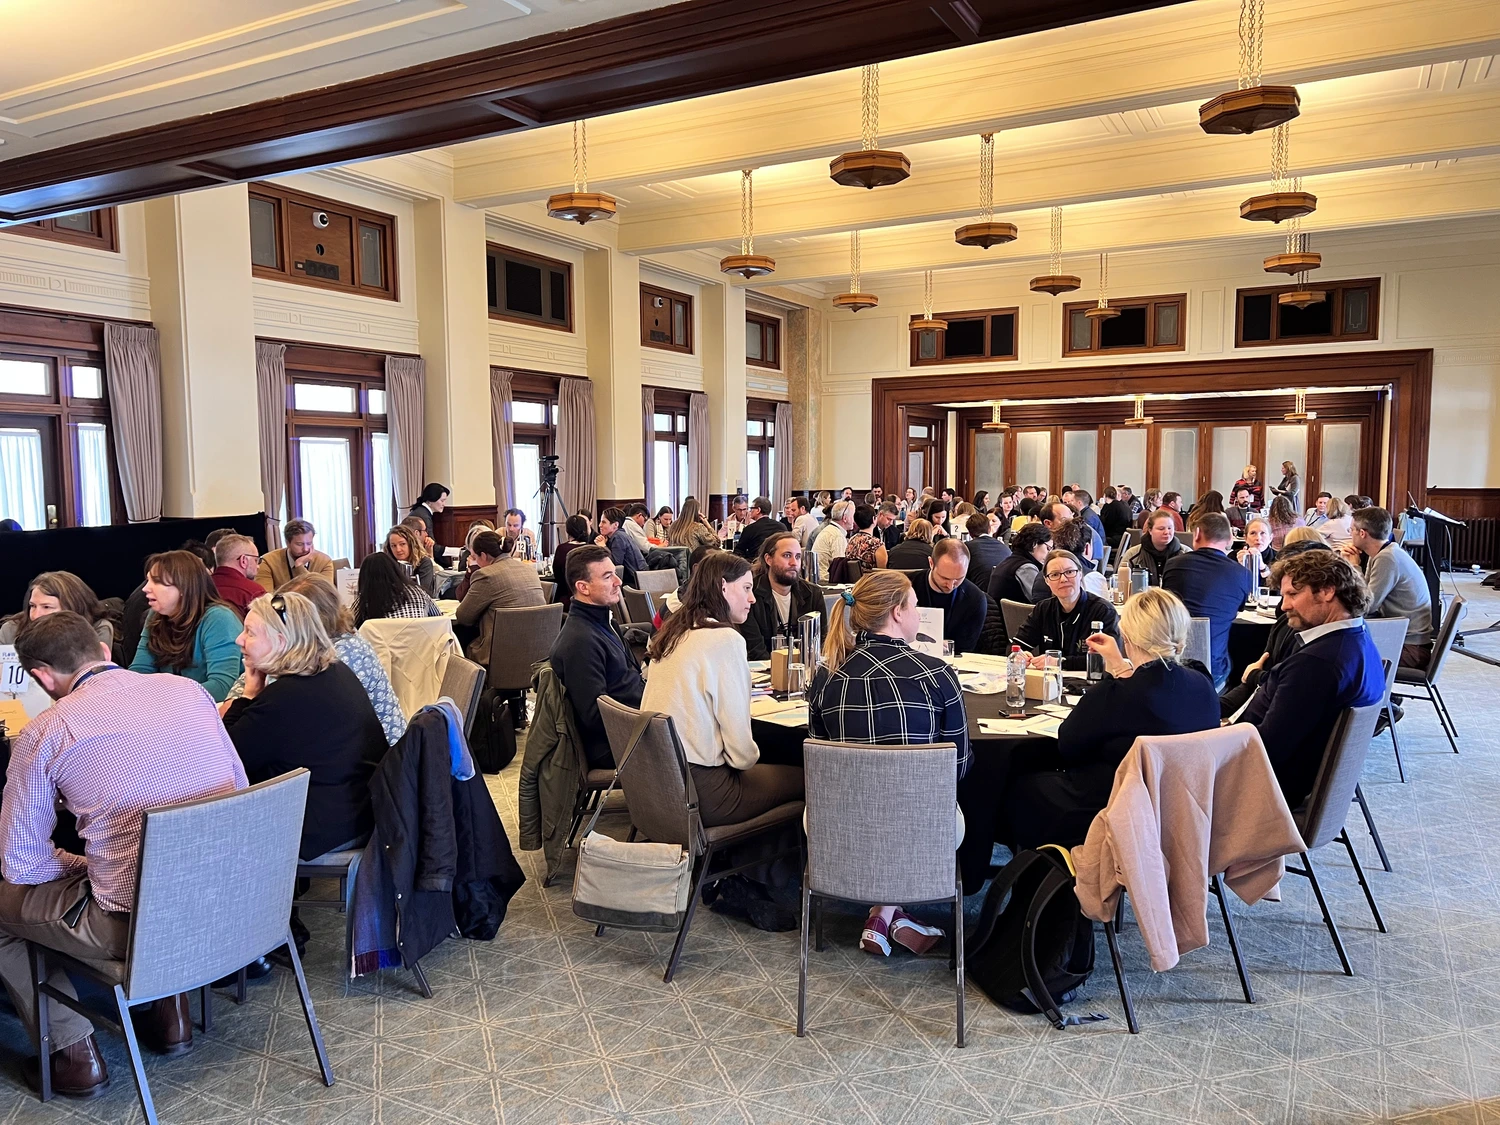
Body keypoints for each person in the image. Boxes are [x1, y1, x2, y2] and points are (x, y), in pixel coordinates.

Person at [0, 614, 249, 1092]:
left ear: (40, 677)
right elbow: (239, 794)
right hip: (231, 904)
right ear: (105, 651)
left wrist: (80, 865)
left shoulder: (47, 731)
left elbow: (21, 865)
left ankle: (73, 1056)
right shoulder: (189, 694)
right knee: (155, 873)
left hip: (137, 925)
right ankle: (172, 1017)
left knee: (5, 906)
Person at [807, 571, 969, 958]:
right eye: (914, 606)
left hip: (841, 826)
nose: (918, 613)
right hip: (921, 827)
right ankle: (891, 910)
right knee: (943, 806)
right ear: (897, 613)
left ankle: (883, 911)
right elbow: (958, 768)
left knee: (860, 806)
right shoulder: (937, 674)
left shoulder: (826, 677)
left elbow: (821, 759)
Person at [1001, 589, 1220, 848]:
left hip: (1113, 809)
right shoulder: (1202, 683)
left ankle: (1035, 875)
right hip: (1184, 811)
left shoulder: (1115, 695)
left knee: (1022, 782)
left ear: (1127, 637)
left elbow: (1068, 746)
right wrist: (1119, 666)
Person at [222, 590, 386, 865]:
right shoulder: (334, 672)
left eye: (249, 632)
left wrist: (248, 695)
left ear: (281, 642)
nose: (239, 640)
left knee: (208, 824)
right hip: (359, 810)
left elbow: (225, 758)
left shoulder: (285, 698)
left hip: (325, 827)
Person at [641, 553, 803, 825]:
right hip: (704, 791)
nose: (752, 598)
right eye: (747, 588)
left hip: (659, 783)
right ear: (723, 587)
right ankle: (770, 866)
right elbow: (741, 757)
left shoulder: (676, 630)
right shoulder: (724, 639)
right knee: (806, 775)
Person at [1244, 550, 1384, 808]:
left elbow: (1265, 750)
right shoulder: (1359, 639)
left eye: (1293, 594)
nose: (1284, 605)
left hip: (1268, 791)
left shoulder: (1317, 664)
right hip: (1300, 781)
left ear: (1327, 591)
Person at [549, 546, 644, 768]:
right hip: (615, 743)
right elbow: (595, 716)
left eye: (615, 573)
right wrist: (650, 720)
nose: (618, 582)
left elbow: (629, 680)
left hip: (635, 723)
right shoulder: (580, 641)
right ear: (583, 587)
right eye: (607, 576)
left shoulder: (605, 622)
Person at [129, 550, 242, 701]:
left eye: (156, 581)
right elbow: (139, 673)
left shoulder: (219, 618)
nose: (145, 588)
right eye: (148, 580)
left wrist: (162, 696)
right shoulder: (155, 616)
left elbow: (222, 687)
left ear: (183, 587)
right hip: (177, 709)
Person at [1162, 512, 1253, 690]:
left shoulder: (1174, 565)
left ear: (1196, 534)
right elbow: (1240, 608)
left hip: (1172, 664)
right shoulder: (1241, 574)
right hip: (1214, 670)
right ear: (1229, 540)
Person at [1344, 506, 1433, 667]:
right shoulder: (1381, 553)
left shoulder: (1387, 558)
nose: (1349, 534)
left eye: (1351, 530)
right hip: (1398, 636)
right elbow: (1367, 594)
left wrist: (1354, 567)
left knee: (1342, 657)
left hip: (1410, 647)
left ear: (1362, 533)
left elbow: (1367, 606)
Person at [1013, 549, 1121, 669]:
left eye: (1069, 572)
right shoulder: (1043, 609)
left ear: (1080, 574)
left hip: (1091, 683)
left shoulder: (1103, 611)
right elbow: (1016, 646)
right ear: (1047, 581)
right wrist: (1020, 655)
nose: (1063, 579)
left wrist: (1060, 662)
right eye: (1055, 575)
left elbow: (1111, 658)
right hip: (1050, 681)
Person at [455, 530, 546, 664]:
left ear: (484, 556)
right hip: (538, 652)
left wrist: (472, 571)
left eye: (475, 557)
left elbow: (463, 617)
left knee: (458, 638)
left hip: (500, 655)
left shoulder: (486, 575)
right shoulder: (529, 570)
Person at [738, 531, 826, 660]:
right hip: (764, 671)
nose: (794, 563)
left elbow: (822, 641)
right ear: (768, 559)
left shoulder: (813, 594)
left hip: (803, 668)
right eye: (787, 555)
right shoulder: (750, 595)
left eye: (797, 557)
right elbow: (755, 649)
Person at [912, 538, 987, 655]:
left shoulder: (975, 599)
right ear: (931, 563)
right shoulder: (908, 588)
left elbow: (965, 650)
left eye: (959, 578)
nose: (951, 585)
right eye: (945, 578)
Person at [0, 571, 113, 648]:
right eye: (33, 606)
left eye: (46, 607)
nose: (36, 615)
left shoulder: (97, 629)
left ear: (71, 608)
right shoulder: (11, 630)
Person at [352, 551, 442, 626]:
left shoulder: (364, 600)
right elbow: (439, 618)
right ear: (395, 570)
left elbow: (347, 626)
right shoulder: (418, 592)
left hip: (383, 646)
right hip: (421, 645)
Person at [256, 518, 335, 592]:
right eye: (299, 544)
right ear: (288, 543)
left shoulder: (324, 561)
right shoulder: (267, 562)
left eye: (309, 543)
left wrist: (299, 566)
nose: (306, 549)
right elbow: (265, 598)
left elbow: (326, 596)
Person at [988, 522, 1052, 606]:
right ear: (1034, 544)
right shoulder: (1025, 568)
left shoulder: (1010, 561)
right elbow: (1041, 599)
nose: (1049, 553)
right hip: (1014, 617)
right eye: (1048, 548)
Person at [1120, 508, 1185, 587]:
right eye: (1161, 529)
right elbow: (1121, 585)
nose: (1166, 532)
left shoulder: (1185, 554)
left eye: (1170, 528)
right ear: (1150, 530)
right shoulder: (1132, 555)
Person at [209, 534, 265, 614]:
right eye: (256, 560)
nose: (258, 566)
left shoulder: (200, 587)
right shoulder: (254, 593)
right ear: (243, 560)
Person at [552, 514, 594, 611]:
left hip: (566, 599)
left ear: (568, 531)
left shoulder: (562, 549)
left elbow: (557, 575)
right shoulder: (591, 549)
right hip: (590, 598)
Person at [595, 506, 647, 581]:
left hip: (636, 581)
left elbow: (615, 564)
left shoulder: (619, 537)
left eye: (603, 522)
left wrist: (603, 547)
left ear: (615, 525)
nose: (600, 525)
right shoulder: (616, 536)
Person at [962, 511, 1010, 591]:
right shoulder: (1004, 547)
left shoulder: (966, 548)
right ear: (989, 529)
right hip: (1005, 595)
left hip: (980, 594)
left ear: (970, 533)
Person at [384, 523, 437, 596]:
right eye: (393, 546)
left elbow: (424, 592)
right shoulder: (387, 564)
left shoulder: (424, 562)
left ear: (411, 544)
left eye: (402, 544)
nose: (398, 549)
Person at [811, 500, 854, 583]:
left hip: (819, 579)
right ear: (845, 519)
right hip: (826, 582)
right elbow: (840, 569)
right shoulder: (837, 536)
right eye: (852, 516)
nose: (853, 520)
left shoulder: (830, 530)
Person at [733, 497, 779, 563]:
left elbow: (738, 552)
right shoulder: (781, 526)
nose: (749, 511)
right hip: (777, 565)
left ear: (758, 510)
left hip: (755, 568)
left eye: (751, 508)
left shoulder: (749, 529)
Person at [1234, 517, 1277, 587]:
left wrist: (1263, 568)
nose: (1258, 538)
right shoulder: (1234, 556)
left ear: (1270, 538)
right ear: (1245, 538)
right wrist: (1239, 568)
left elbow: (1277, 588)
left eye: (1263, 533)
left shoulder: (1279, 558)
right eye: (1253, 533)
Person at [845, 504, 889, 571]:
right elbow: (883, 573)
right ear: (874, 519)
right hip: (871, 580)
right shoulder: (877, 544)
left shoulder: (851, 540)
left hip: (853, 581)